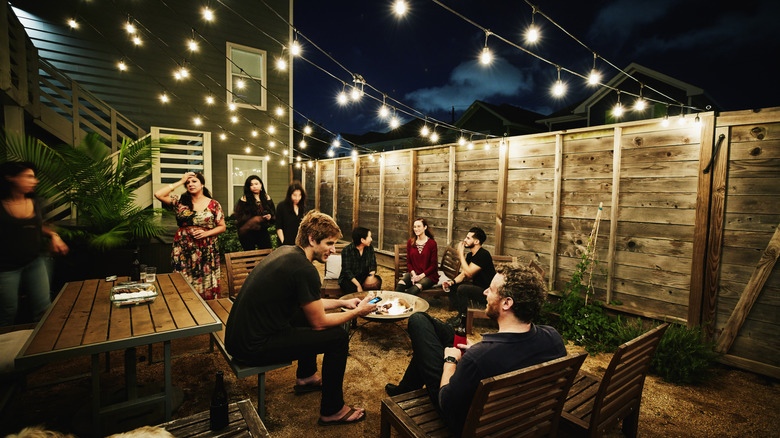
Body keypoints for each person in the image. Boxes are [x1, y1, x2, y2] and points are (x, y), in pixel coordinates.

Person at [225, 210, 377, 426]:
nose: (334, 250)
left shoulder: (288, 252)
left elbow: (309, 305)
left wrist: (343, 303)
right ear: (312, 239)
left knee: (304, 317)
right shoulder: (304, 269)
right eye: (329, 243)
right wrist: (356, 312)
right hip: (253, 346)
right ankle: (332, 410)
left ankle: (306, 377)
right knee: (338, 338)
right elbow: (320, 322)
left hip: (239, 338)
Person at [385, 264, 566, 436]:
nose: (485, 292)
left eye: (491, 290)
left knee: (418, 321)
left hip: (468, 424)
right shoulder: (553, 338)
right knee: (430, 331)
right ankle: (403, 390)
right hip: (519, 417)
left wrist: (451, 361)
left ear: (506, 303)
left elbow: (446, 403)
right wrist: (475, 350)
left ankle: (404, 390)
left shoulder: (479, 358)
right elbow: (509, 357)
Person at [0, 162, 68, 326]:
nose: (35, 181)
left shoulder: (35, 202)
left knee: (44, 309)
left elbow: (38, 226)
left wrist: (54, 235)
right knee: (7, 312)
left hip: (35, 261)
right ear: (11, 178)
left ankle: (45, 348)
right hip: (6, 267)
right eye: (29, 177)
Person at [154, 171, 226, 300]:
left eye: (194, 181)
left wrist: (206, 233)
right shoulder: (180, 202)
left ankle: (208, 308)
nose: (190, 184)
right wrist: (181, 181)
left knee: (205, 277)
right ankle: (186, 306)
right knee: (182, 276)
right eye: (188, 183)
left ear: (202, 184)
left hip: (206, 248)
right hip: (183, 248)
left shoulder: (214, 204)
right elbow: (158, 194)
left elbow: (222, 227)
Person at [442, 227, 495, 326]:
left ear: (476, 241)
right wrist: (451, 282)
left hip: (487, 292)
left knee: (463, 289)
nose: (464, 240)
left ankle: (463, 320)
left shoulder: (483, 254)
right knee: (452, 286)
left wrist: (460, 254)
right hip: (478, 287)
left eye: (468, 238)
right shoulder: (471, 255)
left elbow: (469, 273)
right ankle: (460, 314)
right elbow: (464, 274)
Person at [395, 218, 438, 295]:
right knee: (400, 284)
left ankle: (406, 305)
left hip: (428, 275)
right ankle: (396, 305)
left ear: (425, 227)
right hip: (414, 273)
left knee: (416, 288)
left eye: (419, 226)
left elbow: (433, 265)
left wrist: (420, 277)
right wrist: (414, 275)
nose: (416, 229)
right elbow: (409, 263)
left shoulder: (432, 243)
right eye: (415, 227)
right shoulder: (410, 242)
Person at [233, 175, 275, 250]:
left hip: (263, 231)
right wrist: (255, 219)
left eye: (256, 184)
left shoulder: (266, 197)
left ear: (261, 184)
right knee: (250, 256)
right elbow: (239, 217)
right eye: (251, 185)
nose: (254, 186)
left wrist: (270, 216)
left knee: (266, 253)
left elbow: (273, 213)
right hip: (248, 232)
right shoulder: (244, 199)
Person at [338, 226, 382, 293]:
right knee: (351, 287)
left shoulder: (370, 248)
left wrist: (370, 276)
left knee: (377, 281)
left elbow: (373, 264)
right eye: (369, 237)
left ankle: (370, 301)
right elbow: (347, 271)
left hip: (364, 276)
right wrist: (358, 285)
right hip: (350, 279)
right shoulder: (347, 250)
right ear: (362, 240)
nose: (371, 239)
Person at [275, 181, 306, 246]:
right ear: (290, 195)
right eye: (294, 195)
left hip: (298, 243)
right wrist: (283, 242)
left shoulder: (302, 207)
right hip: (285, 243)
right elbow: (279, 227)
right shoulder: (281, 206)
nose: (297, 198)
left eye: (299, 195)